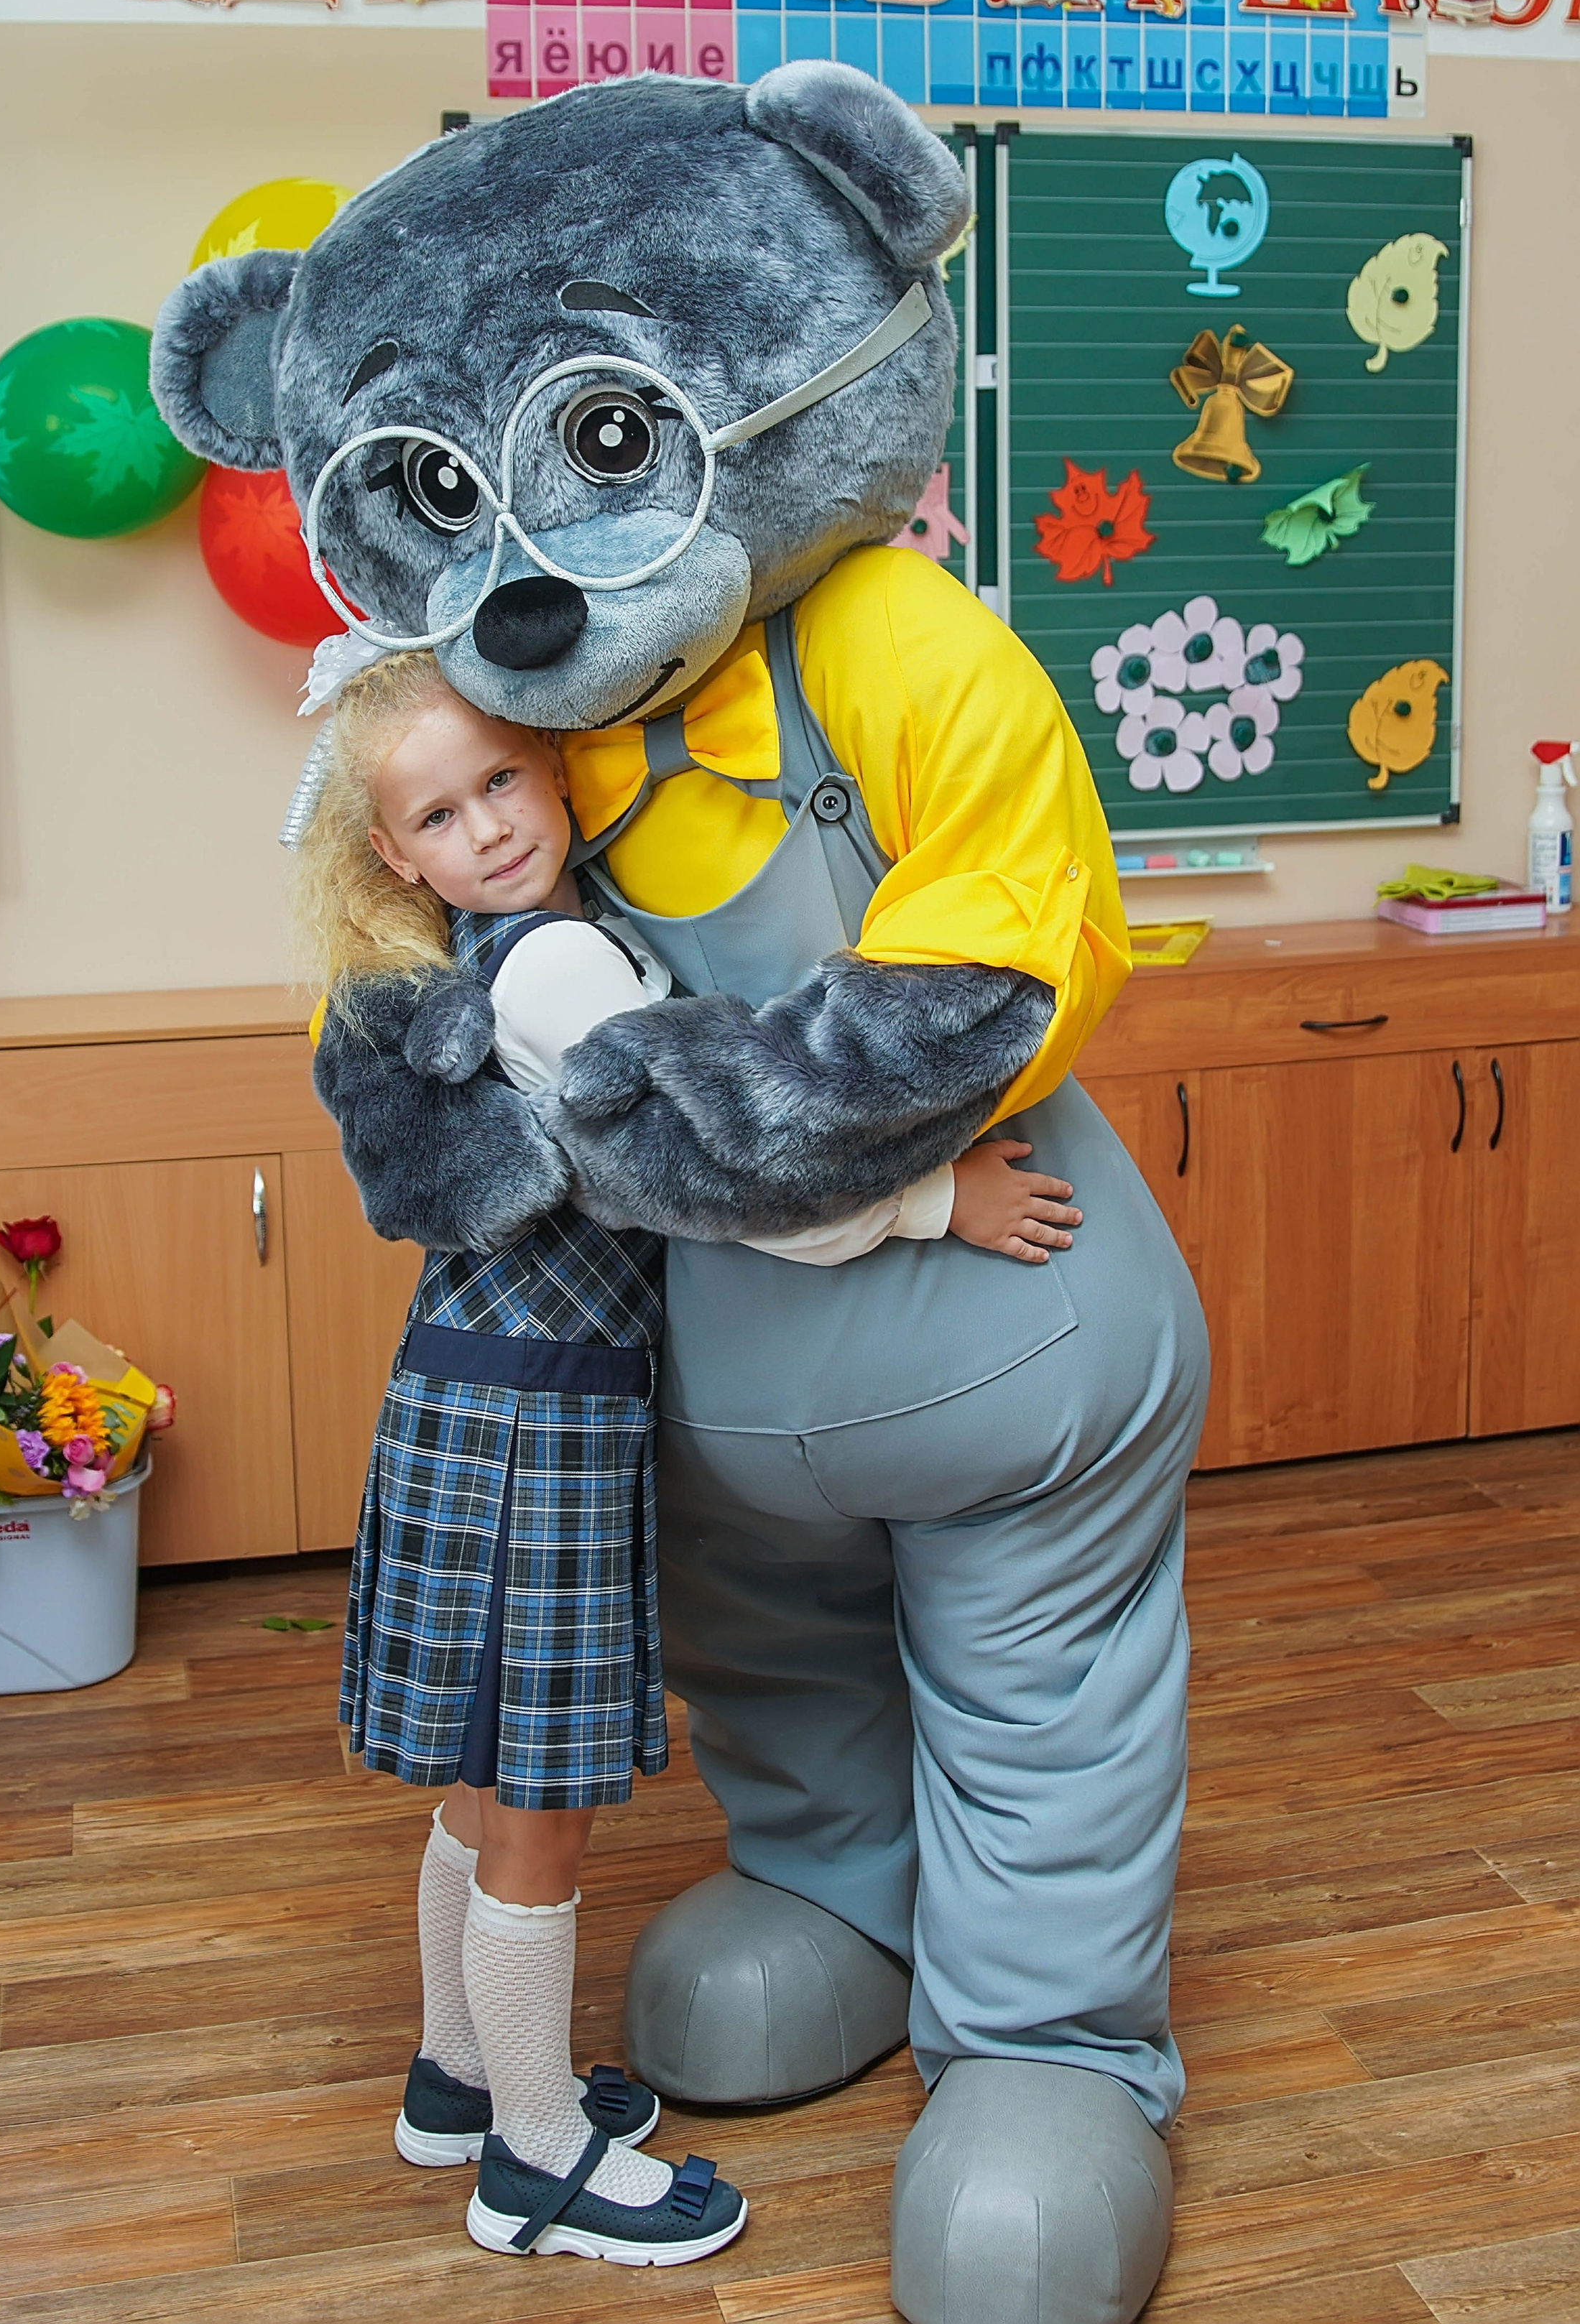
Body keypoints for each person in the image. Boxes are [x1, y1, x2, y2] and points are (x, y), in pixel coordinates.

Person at [293, 652, 1085, 2270]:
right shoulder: (555, 968)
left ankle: (457, 2074)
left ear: (557, 766)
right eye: (439, 816)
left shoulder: (488, 957)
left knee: (478, 1775)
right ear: (399, 857)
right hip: (537, 1417)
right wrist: (940, 1201)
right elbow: (726, 1168)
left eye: (500, 782)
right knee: (541, 1808)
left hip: (471, 1393)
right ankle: (534, 2161)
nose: (487, 829)